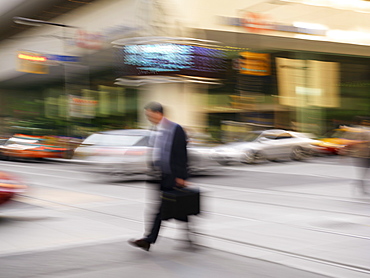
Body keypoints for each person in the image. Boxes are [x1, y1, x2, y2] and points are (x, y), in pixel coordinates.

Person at [129, 102, 191, 251]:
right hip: (159, 176)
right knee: (176, 208)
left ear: (158, 113)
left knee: (163, 209)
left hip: (172, 176)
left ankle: (148, 239)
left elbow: (182, 154)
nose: (148, 117)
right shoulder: (155, 129)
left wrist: (182, 176)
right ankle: (189, 238)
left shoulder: (175, 129)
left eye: (150, 114)